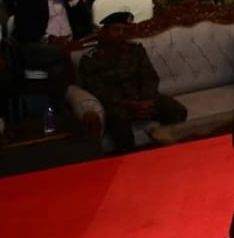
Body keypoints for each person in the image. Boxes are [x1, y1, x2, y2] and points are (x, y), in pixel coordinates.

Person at [77, 10, 187, 152]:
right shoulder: (91, 58)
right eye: (116, 29)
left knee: (177, 110)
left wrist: (146, 100)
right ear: (104, 32)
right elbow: (97, 89)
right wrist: (129, 104)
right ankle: (129, 158)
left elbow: (150, 77)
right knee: (119, 121)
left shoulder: (136, 50)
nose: (120, 34)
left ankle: (167, 152)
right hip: (119, 104)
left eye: (124, 30)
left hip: (143, 98)